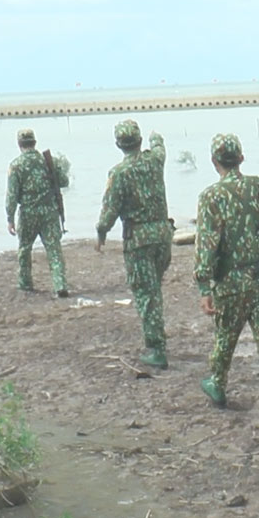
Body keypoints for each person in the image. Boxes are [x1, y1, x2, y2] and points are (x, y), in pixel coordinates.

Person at [193, 133, 259, 434]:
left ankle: (218, 385)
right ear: (241, 158)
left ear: (214, 163)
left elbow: (206, 247)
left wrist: (204, 286)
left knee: (225, 338)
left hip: (230, 282)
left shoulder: (210, 196)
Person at [95, 119, 174, 369]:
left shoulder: (119, 173)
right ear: (139, 141)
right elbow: (161, 147)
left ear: (118, 144)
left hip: (139, 240)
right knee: (153, 290)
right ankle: (157, 336)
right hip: (163, 235)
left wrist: (101, 233)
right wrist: (155, 137)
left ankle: (156, 349)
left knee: (146, 294)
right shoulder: (155, 161)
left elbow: (110, 209)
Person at [4, 128, 69, 296]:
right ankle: (60, 285)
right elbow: (64, 181)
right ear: (34, 142)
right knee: (54, 249)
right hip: (50, 212)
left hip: (28, 213)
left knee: (25, 249)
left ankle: (25, 283)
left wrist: (10, 218)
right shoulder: (48, 161)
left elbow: (12, 195)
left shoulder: (16, 165)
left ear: (19, 145)